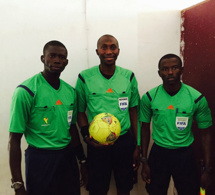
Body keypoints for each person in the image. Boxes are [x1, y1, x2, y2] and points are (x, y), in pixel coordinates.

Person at [8, 40, 87, 195]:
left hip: (67, 158)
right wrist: (17, 184)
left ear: (66, 62)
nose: (57, 60)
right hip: (40, 160)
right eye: (52, 56)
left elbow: (71, 128)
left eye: (61, 57)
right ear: (43, 58)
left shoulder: (71, 92)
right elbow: (14, 139)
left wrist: (82, 161)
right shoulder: (26, 91)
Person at [75, 34, 140, 195]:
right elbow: (80, 111)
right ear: (97, 51)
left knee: (124, 187)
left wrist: (137, 145)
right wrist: (85, 136)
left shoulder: (128, 76)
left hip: (124, 141)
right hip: (96, 144)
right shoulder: (84, 78)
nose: (109, 51)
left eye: (113, 47)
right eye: (104, 47)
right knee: (97, 189)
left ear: (119, 51)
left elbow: (133, 110)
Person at [140, 53, 212, 195]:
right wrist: (144, 161)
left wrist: (208, 169)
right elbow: (144, 130)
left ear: (182, 70)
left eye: (174, 68)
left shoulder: (196, 98)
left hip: (185, 155)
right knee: (155, 191)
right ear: (159, 73)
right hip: (159, 153)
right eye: (165, 69)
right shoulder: (149, 97)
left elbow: (206, 135)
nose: (170, 72)